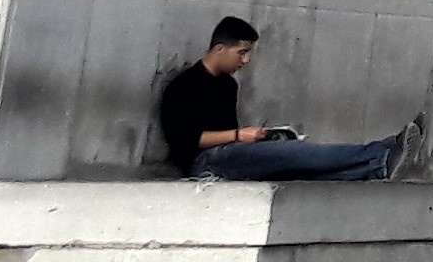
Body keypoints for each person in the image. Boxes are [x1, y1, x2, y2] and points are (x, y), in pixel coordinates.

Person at [156, 18, 401, 182]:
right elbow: (188, 141)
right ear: (220, 49)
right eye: (241, 53)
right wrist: (239, 135)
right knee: (297, 154)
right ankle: (383, 151)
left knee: (299, 169)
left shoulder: (228, 85)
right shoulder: (184, 86)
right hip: (206, 164)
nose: (245, 61)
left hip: (231, 154)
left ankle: (377, 166)